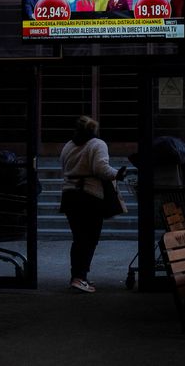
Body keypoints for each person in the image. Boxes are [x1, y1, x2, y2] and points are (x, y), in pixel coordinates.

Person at [59, 116, 126, 293]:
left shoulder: (68, 145)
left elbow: (63, 166)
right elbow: (101, 169)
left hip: (69, 195)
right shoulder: (98, 144)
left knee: (79, 238)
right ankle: (79, 278)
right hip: (89, 196)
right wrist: (117, 173)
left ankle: (78, 276)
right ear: (94, 130)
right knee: (90, 239)